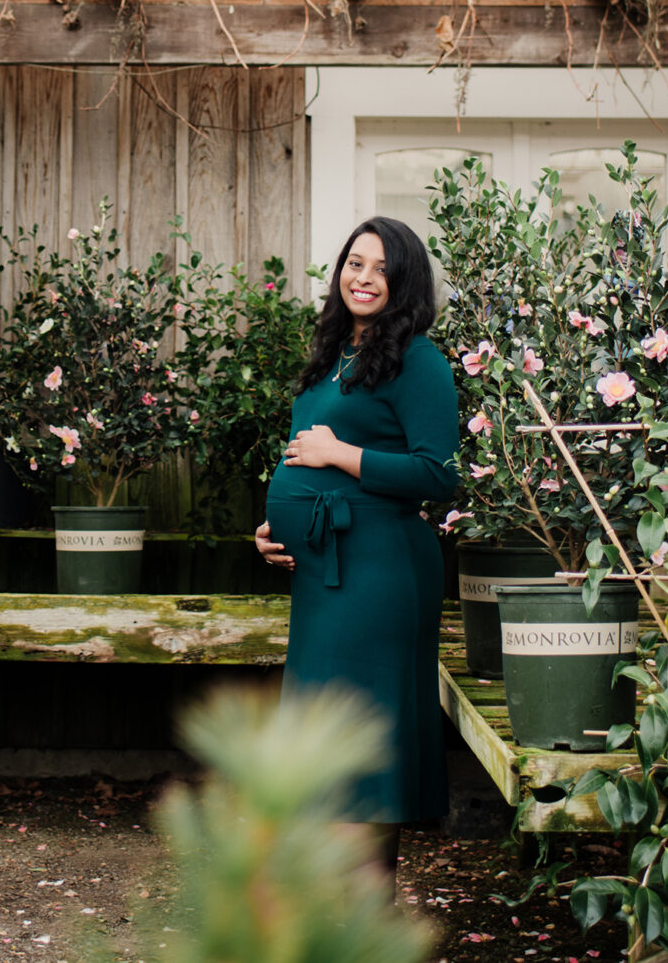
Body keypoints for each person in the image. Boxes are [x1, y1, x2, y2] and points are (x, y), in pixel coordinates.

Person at [253, 215, 460, 877]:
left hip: (378, 574)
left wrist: (341, 454)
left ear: (406, 283)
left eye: (382, 269)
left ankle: (363, 910)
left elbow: (439, 474)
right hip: (323, 574)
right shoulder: (331, 356)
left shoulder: (418, 361)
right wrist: (275, 529)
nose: (364, 278)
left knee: (362, 742)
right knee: (324, 741)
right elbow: (301, 459)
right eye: (355, 263)